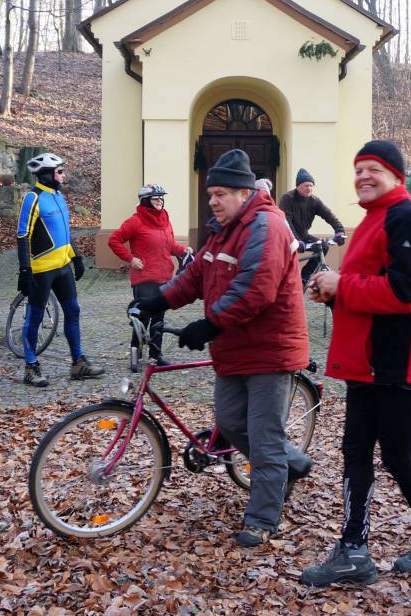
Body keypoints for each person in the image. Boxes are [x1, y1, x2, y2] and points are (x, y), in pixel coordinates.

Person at [301, 140, 411, 587]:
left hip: (394, 359)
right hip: (367, 360)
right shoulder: (374, 219)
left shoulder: (406, 216)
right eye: (358, 170)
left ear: (396, 175)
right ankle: (354, 551)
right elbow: (367, 288)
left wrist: (342, 285)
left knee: (396, 456)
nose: (363, 176)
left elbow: (404, 293)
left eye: (373, 168)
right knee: (358, 452)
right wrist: (333, 294)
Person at [134, 149, 313, 548]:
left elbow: (255, 290)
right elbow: (196, 274)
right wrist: (157, 301)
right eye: (210, 194)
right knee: (231, 424)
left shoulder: (267, 226)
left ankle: (262, 519)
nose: (213, 201)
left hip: (269, 350)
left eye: (220, 194)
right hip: (234, 346)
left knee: (263, 438)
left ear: (244, 192)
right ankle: (294, 462)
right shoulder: (222, 229)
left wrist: (209, 324)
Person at [16, 152, 103, 387]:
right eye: (60, 171)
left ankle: (78, 363)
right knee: (34, 318)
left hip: (63, 267)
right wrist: (25, 270)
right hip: (41, 270)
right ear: (46, 174)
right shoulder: (32, 198)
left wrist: (77, 257)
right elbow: (22, 235)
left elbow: (64, 231)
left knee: (73, 311)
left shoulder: (59, 197)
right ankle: (31, 367)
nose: (64, 175)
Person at [107, 184, 190, 366]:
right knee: (142, 317)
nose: (160, 201)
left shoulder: (164, 218)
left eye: (161, 198)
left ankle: (155, 355)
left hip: (164, 276)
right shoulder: (135, 221)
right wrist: (131, 259)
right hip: (144, 278)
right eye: (155, 198)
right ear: (145, 201)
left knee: (159, 318)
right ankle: (135, 353)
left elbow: (169, 244)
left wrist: (183, 250)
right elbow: (114, 240)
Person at [279, 168, 346, 285]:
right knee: (286, 262)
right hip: (286, 237)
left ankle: (305, 276)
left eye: (311, 185)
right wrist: (296, 240)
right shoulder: (287, 198)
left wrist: (339, 230)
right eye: (306, 185)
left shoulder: (314, 200)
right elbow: (286, 222)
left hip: (303, 236)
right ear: (298, 186)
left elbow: (329, 215)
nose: (309, 188)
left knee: (323, 247)